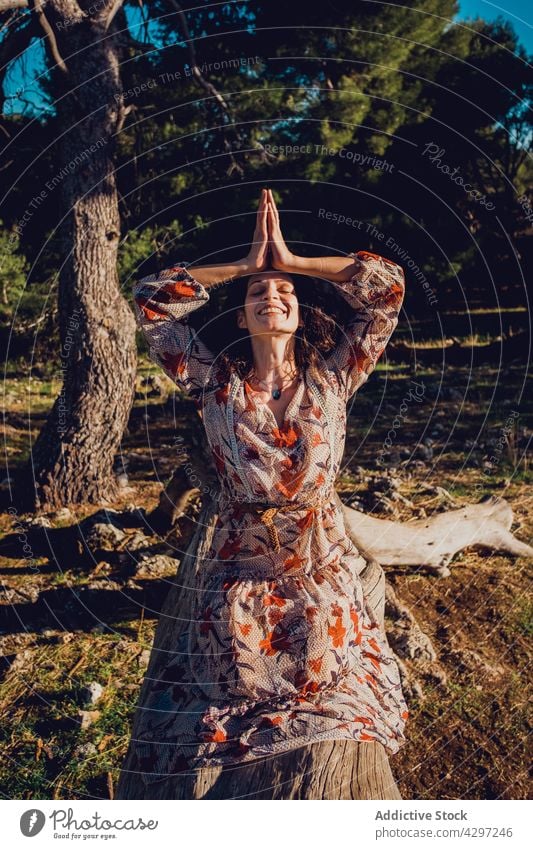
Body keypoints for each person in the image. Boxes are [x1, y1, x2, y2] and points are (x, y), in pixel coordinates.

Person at [128, 188, 409, 787]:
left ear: (301, 311)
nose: (273, 297)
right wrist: (245, 266)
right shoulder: (215, 385)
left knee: (322, 679)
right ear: (241, 315)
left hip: (318, 566)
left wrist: (293, 262)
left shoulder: (334, 379)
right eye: (260, 293)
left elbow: (387, 289)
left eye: (285, 294)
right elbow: (150, 301)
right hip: (242, 572)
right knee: (238, 682)